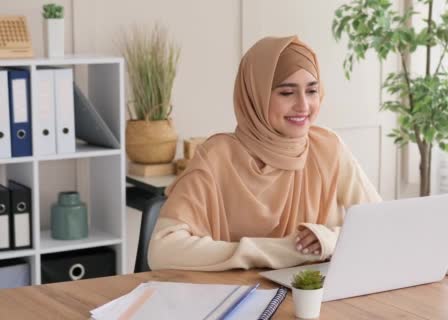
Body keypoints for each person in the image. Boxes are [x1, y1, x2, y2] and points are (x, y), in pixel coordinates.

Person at [148, 35, 381, 271]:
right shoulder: (217, 157)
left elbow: (380, 223)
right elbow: (163, 251)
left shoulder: (327, 148)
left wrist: (328, 240)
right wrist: (285, 250)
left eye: (311, 91)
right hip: (235, 298)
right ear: (255, 96)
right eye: (287, 93)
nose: (303, 105)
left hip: (311, 296)